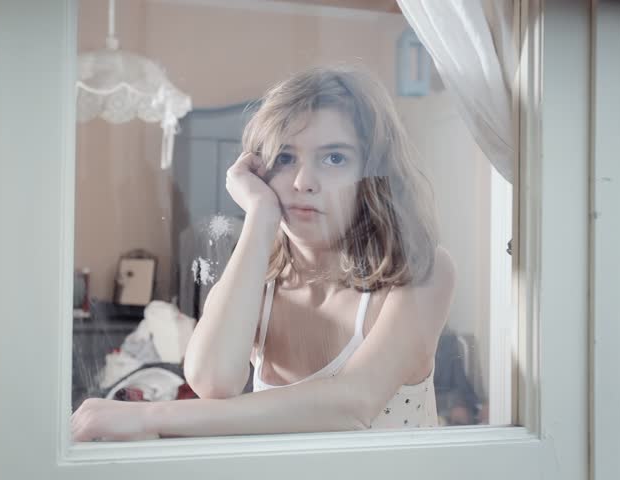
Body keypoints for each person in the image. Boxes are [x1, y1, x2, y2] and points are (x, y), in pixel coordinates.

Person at [71, 65, 456, 442]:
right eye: (285, 158)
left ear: (372, 174)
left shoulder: (423, 268)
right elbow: (212, 381)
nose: (304, 183)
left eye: (334, 158)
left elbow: (353, 404)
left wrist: (147, 416)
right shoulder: (260, 270)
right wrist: (260, 218)